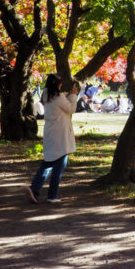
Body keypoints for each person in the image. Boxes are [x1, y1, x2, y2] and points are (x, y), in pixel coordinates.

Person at [25, 74, 79, 203]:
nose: (61, 86)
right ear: (57, 85)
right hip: (61, 136)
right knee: (59, 165)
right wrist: (73, 95)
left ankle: (34, 188)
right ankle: (52, 195)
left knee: (48, 162)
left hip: (50, 133)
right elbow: (71, 109)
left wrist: (66, 95)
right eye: (60, 84)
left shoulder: (46, 94)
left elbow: (59, 100)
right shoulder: (59, 98)